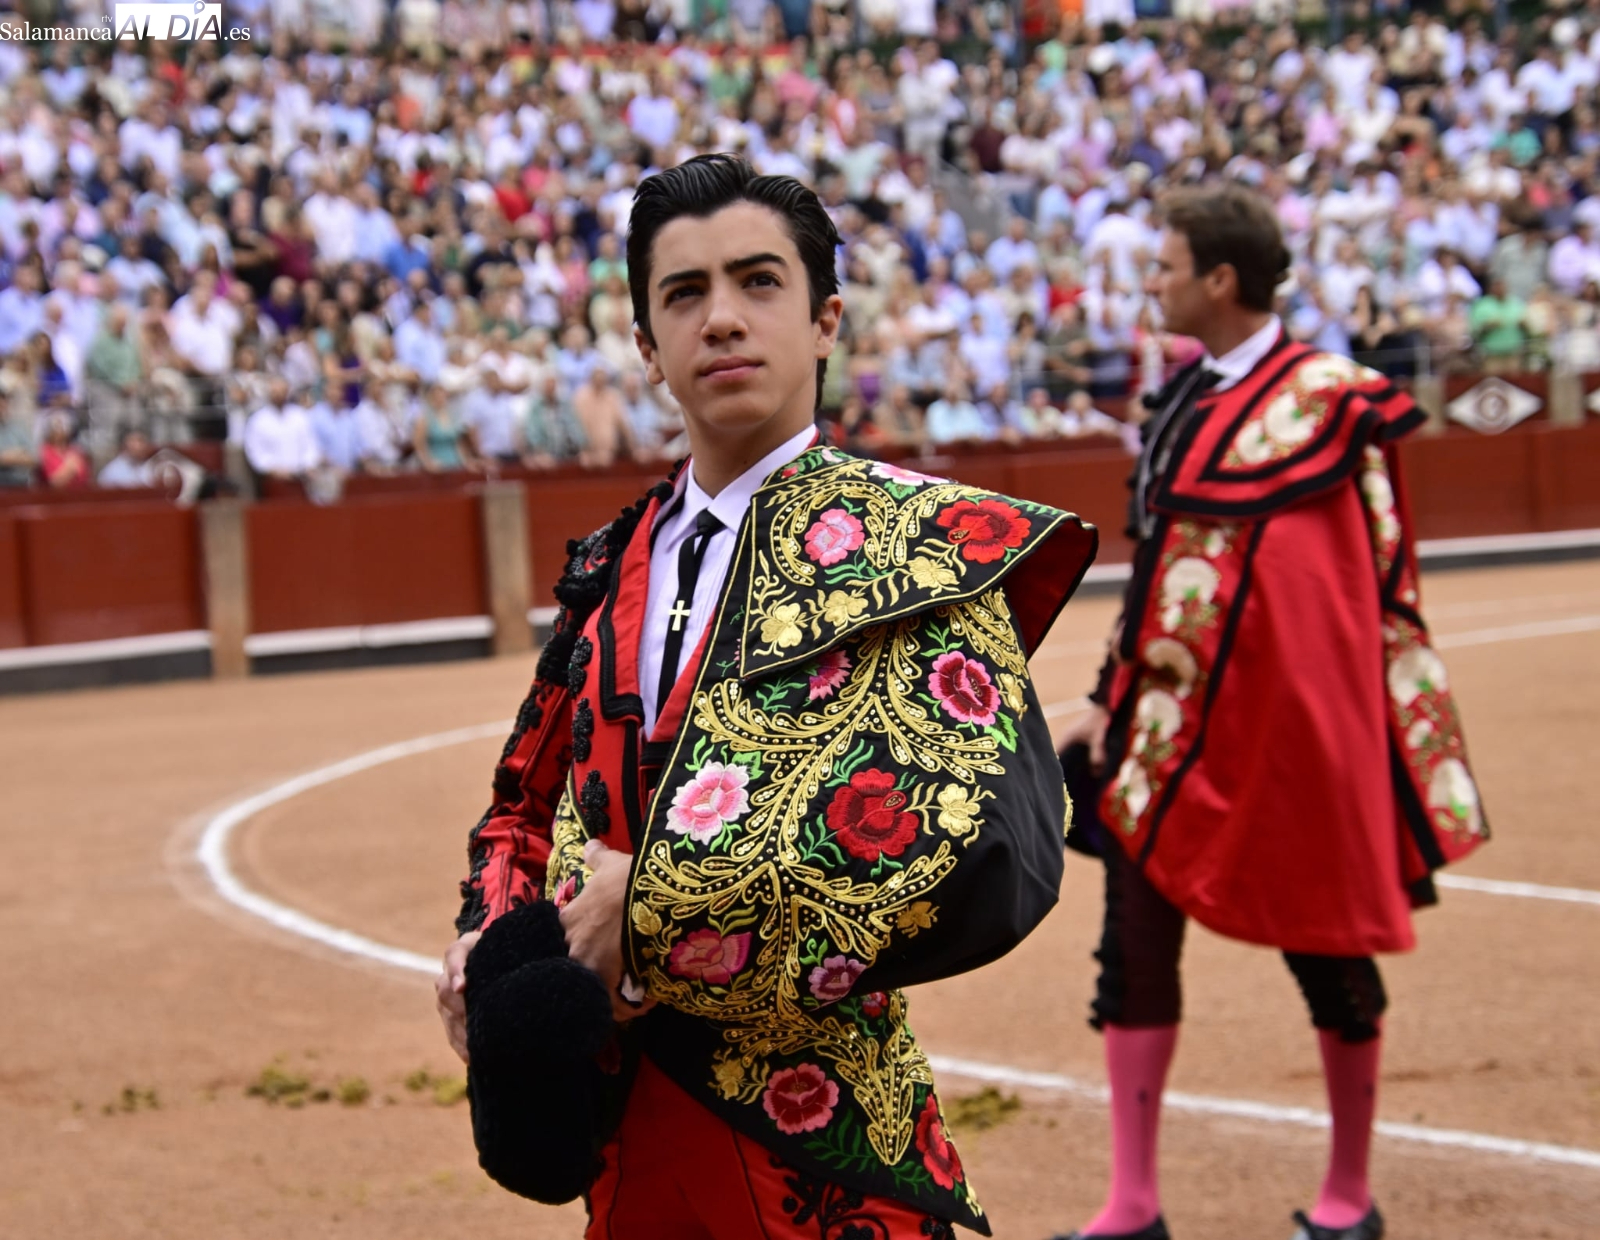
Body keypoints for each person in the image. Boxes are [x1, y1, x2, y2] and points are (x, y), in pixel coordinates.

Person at [435, 154, 1098, 1240]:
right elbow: (522, 798)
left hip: (823, 1126)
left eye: (757, 282)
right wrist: (494, 947)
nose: (722, 320)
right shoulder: (609, 565)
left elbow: (977, 843)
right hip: (629, 1130)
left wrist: (634, 920)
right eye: (684, 294)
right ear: (646, 348)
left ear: (826, 318)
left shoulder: (918, 549)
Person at [1051, 185, 1487, 1240]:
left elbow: (1367, 583)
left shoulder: (1335, 398)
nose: (1147, 283)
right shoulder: (1181, 403)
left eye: (1162, 267)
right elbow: (1157, 566)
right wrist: (1114, 696)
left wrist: (1366, 725)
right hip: (1170, 721)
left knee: (1328, 948)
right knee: (1132, 945)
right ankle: (1132, 1207)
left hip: (1292, 731)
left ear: (1219, 279)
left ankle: (1348, 1199)